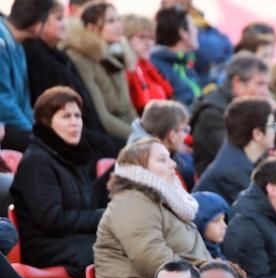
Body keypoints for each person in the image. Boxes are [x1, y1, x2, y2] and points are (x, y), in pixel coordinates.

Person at [94, 139, 210, 278]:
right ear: (138, 169)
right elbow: (155, 261)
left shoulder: (163, 202)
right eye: (162, 160)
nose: (173, 164)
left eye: (170, 158)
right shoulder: (131, 203)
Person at [10, 86, 105, 278]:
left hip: (72, 238)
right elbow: (53, 219)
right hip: (45, 246)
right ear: (47, 122)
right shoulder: (37, 162)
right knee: (112, 252)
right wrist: (100, 216)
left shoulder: (70, 156)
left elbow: (86, 203)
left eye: (77, 116)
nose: (75, 123)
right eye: (66, 116)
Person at [21, 0, 120, 159]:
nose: (64, 24)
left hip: (84, 129)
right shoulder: (35, 55)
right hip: (65, 131)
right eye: (59, 18)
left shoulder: (60, 56)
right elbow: (49, 105)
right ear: (40, 21)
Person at [63, 2, 137, 142]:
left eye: (118, 19)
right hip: (103, 135)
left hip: (126, 130)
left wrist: (143, 132)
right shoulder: (81, 58)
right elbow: (102, 117)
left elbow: (128, 107)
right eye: (110, 21)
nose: (118, 25)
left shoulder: (117, 54)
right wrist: (139, 137)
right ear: (91, 27)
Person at [190, 52, 269, 176]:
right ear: (237, 83)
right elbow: (237, 154)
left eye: (266, 85)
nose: (265, 92)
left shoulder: (247, 109)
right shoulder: (212, 113)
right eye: (260, 84)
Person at [194, 97, 275, 205]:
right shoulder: (232, 172)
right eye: (273, 126)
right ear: (257, 134)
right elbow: (257, 211)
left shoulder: (241, 156)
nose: (275, 131)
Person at [0, 0, 45, 152]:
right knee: (46, 149)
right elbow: (3, 103)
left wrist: (36, 129)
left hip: (12, 124)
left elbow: (23, 101)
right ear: (37, 25)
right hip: (5, 126)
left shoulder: (17, 44)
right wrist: (33, 133)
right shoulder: (2, 43)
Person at [126, 99, 194, 188]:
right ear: (172, 136)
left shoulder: (144, 151)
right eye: (185, 130)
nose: (186, 135)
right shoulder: (153, 164)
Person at [122, 14, 172, 113]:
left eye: (151, 38)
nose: (148, 43)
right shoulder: (124, 70)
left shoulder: (149, 68)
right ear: (126, 38)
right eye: (142, 37)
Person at [191, 190, 229, 258]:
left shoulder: (216, 249)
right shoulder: (195, 258)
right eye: (216, 220)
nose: (224, 226)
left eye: (224, 219)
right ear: (199, 223)